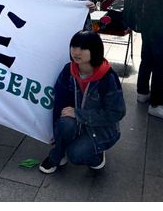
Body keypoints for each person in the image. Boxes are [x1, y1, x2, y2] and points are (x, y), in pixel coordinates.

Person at [39, 31, 126, 173]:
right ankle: (57, 156)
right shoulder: (68, 70)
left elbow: (116, 113)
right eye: (74, 46)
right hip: (74, 121)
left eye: (83, 48)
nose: (76, 52)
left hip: (99, 129)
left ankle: (97, 156)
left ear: (95, 50)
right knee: (64, 124)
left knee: (75, 154)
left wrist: (79, 114)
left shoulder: (108, 78)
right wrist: (55, 132)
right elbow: (59, 101)